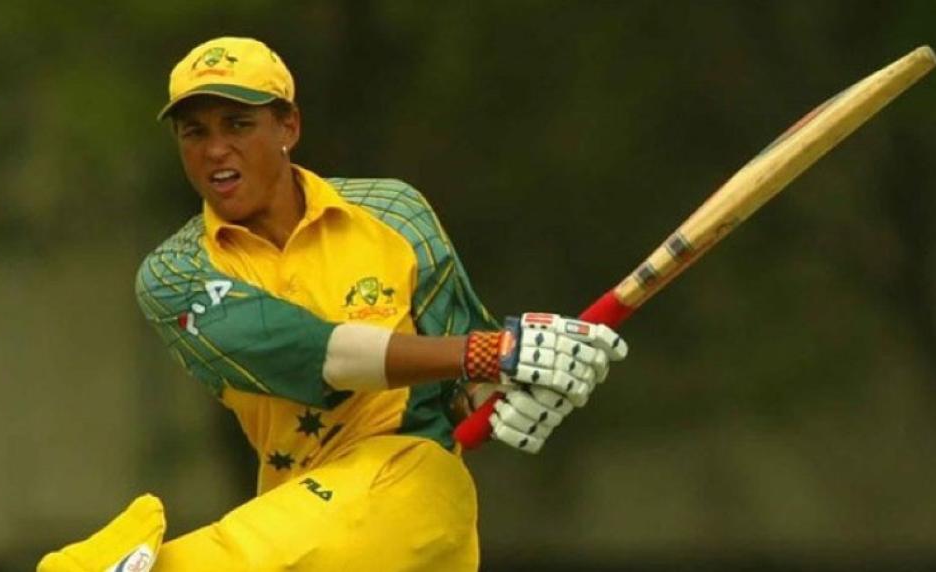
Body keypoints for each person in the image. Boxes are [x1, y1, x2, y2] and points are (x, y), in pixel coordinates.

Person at [37, 36, 628, 572]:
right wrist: (495, 351)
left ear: (288, 126)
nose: (215, 149)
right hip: (303, 512)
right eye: (195, 132)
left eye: (238, 124)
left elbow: (469, 379)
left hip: (414, 486)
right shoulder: (174, 275)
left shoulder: (394, 213)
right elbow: (319, 355)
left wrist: (533, 383)